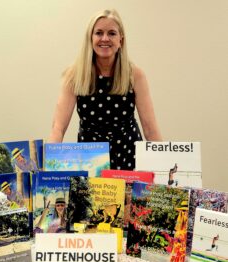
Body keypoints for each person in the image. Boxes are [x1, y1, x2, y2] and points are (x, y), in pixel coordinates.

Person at [49, 9, 162, 170]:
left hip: (129, 157)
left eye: (112, 33)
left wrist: (164, 168)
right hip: (90, 161)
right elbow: (58, 128)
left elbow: (150, 130)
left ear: (121, 40)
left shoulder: (135, 75)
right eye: (99, 33)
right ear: (91, 38)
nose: (105, 38)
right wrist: (48, 168)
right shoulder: (74, 75)